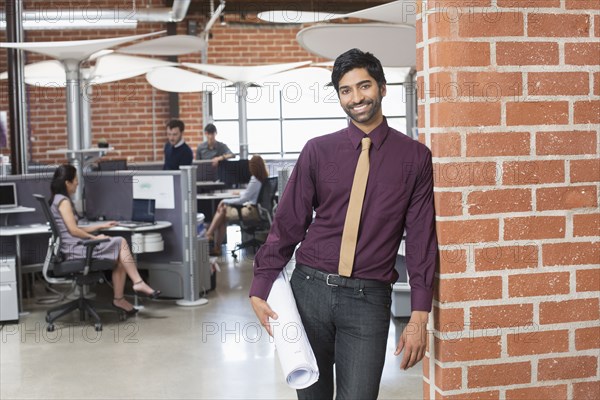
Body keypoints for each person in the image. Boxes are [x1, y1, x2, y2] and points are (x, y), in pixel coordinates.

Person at [249, 49, 437, 399]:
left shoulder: (414, 157)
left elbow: (422, 238)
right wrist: (260, 283)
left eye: (363, 86)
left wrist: (419, 315)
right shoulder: (318, 151)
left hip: (368, 300)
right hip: (309, 291)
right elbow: (288, 223)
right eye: (345, 90)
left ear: (382, 88)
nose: (356, 98)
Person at [49, 164, 161, 317]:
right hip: (77, 249)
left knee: (121, 259)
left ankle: (119, 299)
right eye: (75, 180)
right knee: (121, 242)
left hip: (73, 247)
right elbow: (73, 230)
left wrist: (101, 225)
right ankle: (138, 282)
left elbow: (73, 227)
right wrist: (96, 238)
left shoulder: (57, 199)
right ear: (67, 183)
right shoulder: (64, 202)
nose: (77, 183)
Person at [205, 155, 268, 256]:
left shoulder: (254, 179)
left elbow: (242, 200)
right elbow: (250, 194)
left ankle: (209, 234)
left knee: (223, 209)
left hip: (251, 211)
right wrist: (240, 193)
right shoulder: (263, 178)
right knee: (223, 216)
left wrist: (224, 200)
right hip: (257, 210)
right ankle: (216, 246)